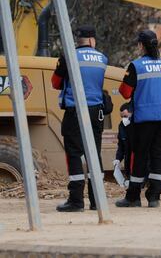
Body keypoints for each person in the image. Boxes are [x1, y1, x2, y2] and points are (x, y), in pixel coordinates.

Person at [51, 25, 108, 212]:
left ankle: (76, 200)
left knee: (75, 154)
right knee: (94, 154)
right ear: (92, 41)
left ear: (78, 40)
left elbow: (55, 83)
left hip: (75, 111)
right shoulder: (102, 58)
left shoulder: (69, 56)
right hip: (96, 112)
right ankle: (97, 200)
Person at [115, 29, 161, 208]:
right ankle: (154, 196)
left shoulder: (136, 66)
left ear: (141, 45)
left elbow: (125, 92)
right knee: (158, 156)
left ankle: (133, 197)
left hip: (144, 118)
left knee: (139, 156)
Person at [113, 102, 133, 186]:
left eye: (125, 116)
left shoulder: (137, 126)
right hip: (128, 158)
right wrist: (118, 159)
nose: (123, 119)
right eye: (122, 117)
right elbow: (121, 145)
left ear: (131, 113)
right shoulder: (121, 126)